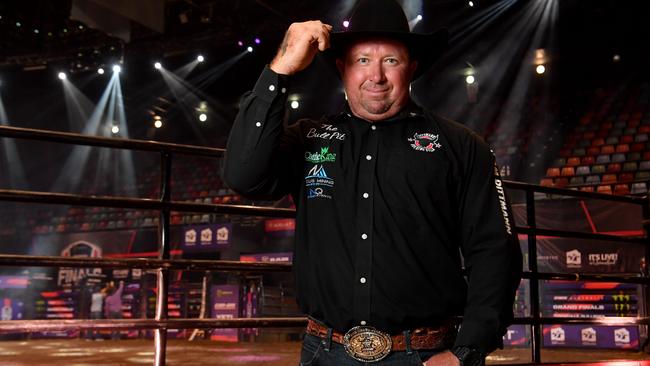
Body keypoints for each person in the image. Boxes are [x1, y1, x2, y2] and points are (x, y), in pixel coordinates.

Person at [223, 0, 523, 364]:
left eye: (391, 61)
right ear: (342, 69)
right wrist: (280, 71)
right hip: (324, 352)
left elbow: (495, 252)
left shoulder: (460, 146)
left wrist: (468, 350)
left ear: (411, 68)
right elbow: (243, 176)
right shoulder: (310, 139)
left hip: (423, 355)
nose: (376, 76)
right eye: (362, 60)